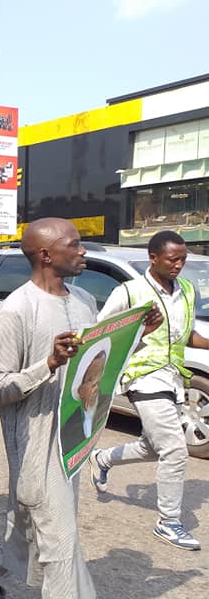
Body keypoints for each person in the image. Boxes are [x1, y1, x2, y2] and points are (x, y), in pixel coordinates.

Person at [0, 218, 154, 599]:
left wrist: (136, 335)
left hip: (74, 441)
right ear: (46, 255)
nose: (83, 252)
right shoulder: (18, 310)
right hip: (35, 448)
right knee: (62, 543)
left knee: (26, 528)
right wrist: (47, 365)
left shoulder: (83, 301)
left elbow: (99, 362)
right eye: (74, 245)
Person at [90, 230, 205, 551]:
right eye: (172, 259)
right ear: (154, 257)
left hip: (173, 378)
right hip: (142, 377)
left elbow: (186, 334)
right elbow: (104, 336)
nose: (179, 265)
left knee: (155, 446)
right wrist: (142, 330)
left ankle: (103, 459)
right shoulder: (129, 292)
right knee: (175, 450)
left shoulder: (185, 290)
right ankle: (168, 522)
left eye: (182, 259)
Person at [59, 341, 112, 455]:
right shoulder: (69, 425)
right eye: (89, 382)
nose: (94, 388)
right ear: (80, 389)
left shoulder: (105, 401)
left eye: (97, 380)